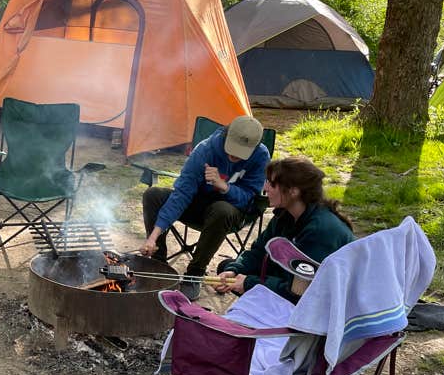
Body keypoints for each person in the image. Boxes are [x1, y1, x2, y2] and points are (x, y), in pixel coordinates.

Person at [140, 115, 269, 300]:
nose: (234, 156)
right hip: (199, 205)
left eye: (241, 153)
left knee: (222, 210)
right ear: (226, 136)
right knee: (153, 195)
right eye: (232, 149)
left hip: (231, 213)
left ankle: (194, 274)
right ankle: (158, 263)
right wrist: (154, 235)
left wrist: (224, 187)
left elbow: (249, 199)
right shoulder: (206, 150)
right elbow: (183, 193)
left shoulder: (260, 156)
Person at [215, 157, 355, 302]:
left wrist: (249, 283)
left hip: (324, 299)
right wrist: (235, 270)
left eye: (272, 184)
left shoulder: (320, 230)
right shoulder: (285, 214)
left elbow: (298, 292)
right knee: (226, 268)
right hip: (293, 280)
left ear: (293, 191)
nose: (265, 188)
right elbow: (259, 251)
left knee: (246, 282)